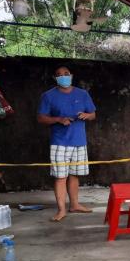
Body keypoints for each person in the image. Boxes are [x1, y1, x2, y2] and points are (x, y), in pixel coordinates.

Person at [37, 66, 96, 222]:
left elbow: (93, 114)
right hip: (60, 143)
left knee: (74, 175)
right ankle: (61, 210)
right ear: (54, 78)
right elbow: (41, 118)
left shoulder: (82, 94)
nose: (63, 77)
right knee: (60, 177)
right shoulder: (48, 96)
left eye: (66, 74)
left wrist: (86, 115)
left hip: (79, 141)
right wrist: (58, 119)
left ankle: (75, 205)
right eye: (59, 75)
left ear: (71, 75)